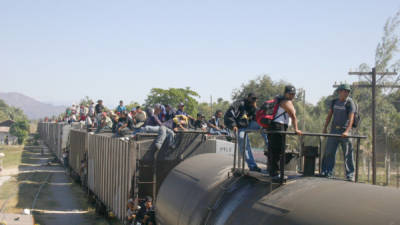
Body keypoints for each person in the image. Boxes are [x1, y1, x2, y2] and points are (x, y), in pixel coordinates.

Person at [224, 93, 268, 172]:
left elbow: (258, 117)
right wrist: (233, 125)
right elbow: (228, 115)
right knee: (242, 139)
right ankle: (252, 166)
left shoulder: (253, 106)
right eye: (252, 99)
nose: (254, 101)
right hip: (240, 127)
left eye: (255, 99)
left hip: (249, 124)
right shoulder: (239, 103)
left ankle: (269, 146)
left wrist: (255, 108)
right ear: (248, 97)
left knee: (264, 125)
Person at [266, 85, 302, 179]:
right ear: (286, 93)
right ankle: (274, 173)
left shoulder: (280, 100)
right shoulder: (286, 102)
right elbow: (293, 116)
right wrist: (296, 129)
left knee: (274, 149)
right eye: (290, 94)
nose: (292, 96)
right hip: (278, 127)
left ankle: (272, 171)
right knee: (276, 150)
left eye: (293, 94)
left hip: (274, 126)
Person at [322, 84, 356, 181]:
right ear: (339, 92)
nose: (346, 93)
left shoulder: (350, 103)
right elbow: (329, 116)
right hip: (334, 130)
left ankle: (350, 175)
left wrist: (346, 131)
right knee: (329, 152)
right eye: (344, 91)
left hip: (345, 131)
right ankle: (327, 172)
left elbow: (351, 119)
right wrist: (325, 128)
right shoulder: (334, 102)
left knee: (348, 154)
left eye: (348, 91)